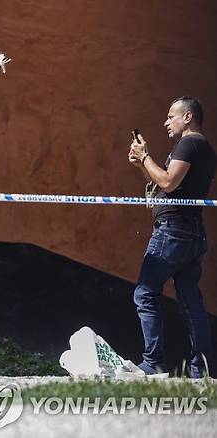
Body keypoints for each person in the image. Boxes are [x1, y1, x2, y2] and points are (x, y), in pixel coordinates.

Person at [128, 96, 216, 378]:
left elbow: (167, 182)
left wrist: (145, 157)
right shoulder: (202, 147)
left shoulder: (190, 143)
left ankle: (153, 361)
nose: (166, 122)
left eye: (170, 116)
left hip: (173, 233)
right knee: (191, 302)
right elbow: (166, 187)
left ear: (187, 117)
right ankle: (199, 371)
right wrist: (143, 165)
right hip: (190, 234)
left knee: (145, 292)